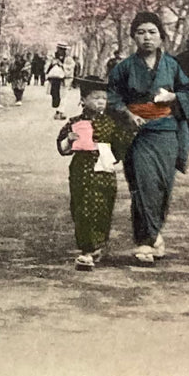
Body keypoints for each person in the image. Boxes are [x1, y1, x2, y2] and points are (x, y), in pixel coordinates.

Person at [107, 12, 189, 267]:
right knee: (144, 184)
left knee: (164, 184)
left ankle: (154, 233)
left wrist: (174, 97)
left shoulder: (173, 65)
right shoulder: (123, 67)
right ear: (133, 36)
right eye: (141, 32)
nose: (147, 37)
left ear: (160, 36)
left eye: (152, 32)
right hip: (137, 132)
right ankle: (144, 241)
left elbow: (187, 92)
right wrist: (127, 113)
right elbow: (112, 96)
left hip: (166, 130)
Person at [56, 77, 134, 271]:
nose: (100, 102)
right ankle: (86, 248)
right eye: (95, 97)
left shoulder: (112, 123)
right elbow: (62, 146)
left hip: (103, 173)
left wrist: (112, 154)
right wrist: (69, 140)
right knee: (81, 207)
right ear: (83, 100)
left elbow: (121, 145)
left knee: (102, 208)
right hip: (80, 171)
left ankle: (94, 246)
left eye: (104, 98)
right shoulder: (74, 122)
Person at [45, 45, 70, 119]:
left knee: (63, 96)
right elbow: (47, 67)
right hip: (55, 79)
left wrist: (62, 65)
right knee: (56, 95)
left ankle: (60, 112)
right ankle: (58, 111)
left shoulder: (68, 58)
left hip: (63, 80)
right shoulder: (53, 57)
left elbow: (70, 67)